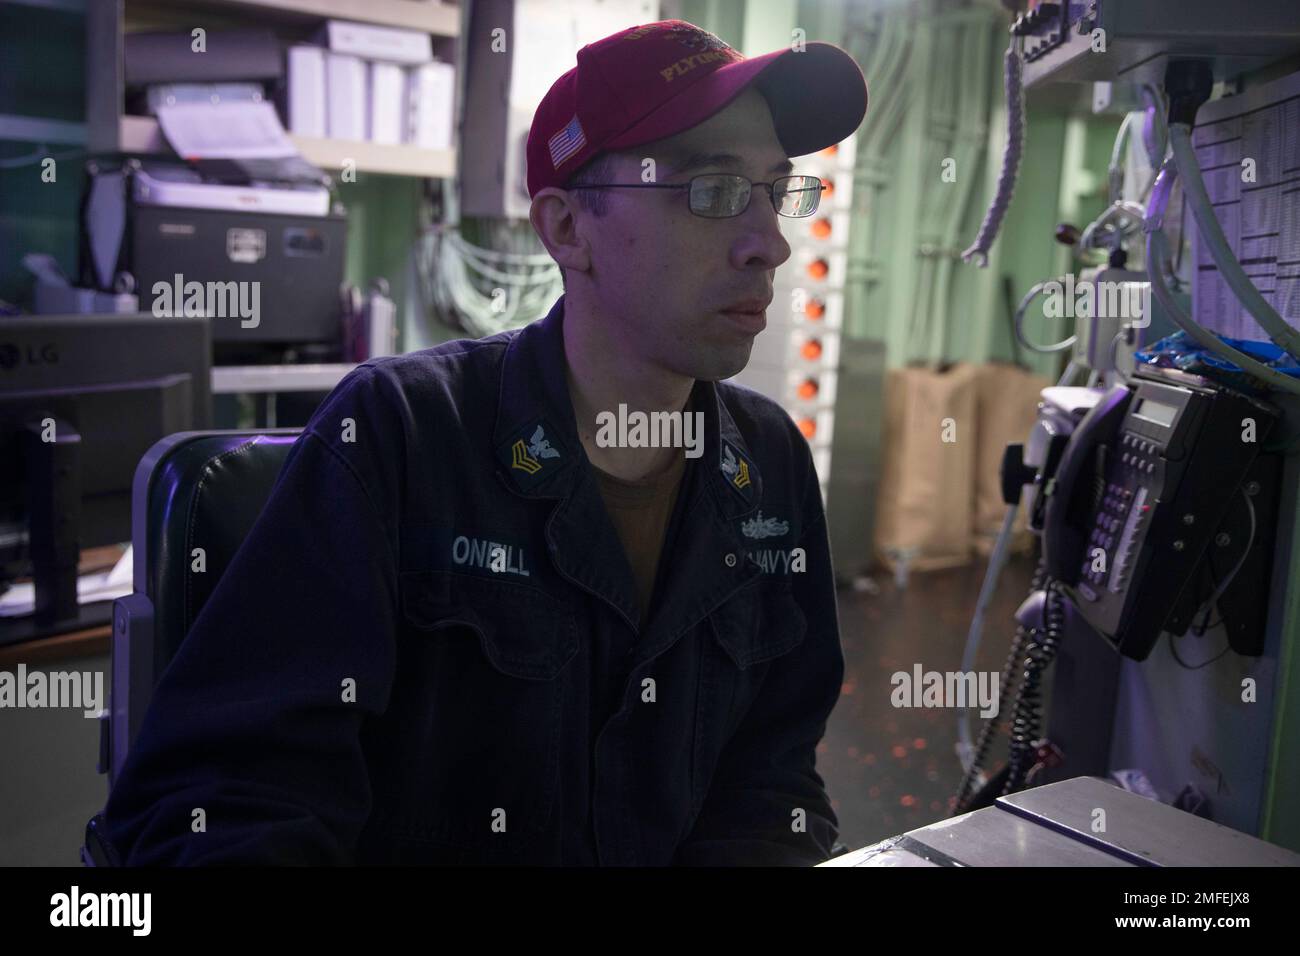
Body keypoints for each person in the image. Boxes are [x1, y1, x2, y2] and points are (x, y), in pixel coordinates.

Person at [102, 18, 867, 865]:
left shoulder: (769, 465)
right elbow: (227, 801)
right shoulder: (397, 435)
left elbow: (772, 779)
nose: (771, 243)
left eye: (776, 189)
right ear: (568, 228)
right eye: (714, 190)